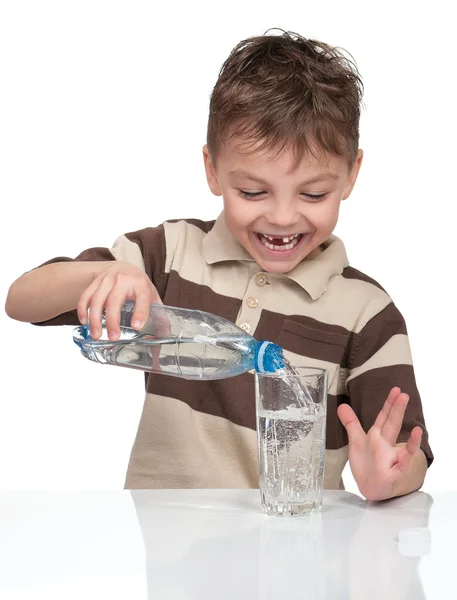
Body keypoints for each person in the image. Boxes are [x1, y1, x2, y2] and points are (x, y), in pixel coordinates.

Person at [5, 29, 432, 500]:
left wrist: (388, 477)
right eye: (252, 191)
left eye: (313, 193)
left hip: (295, 560)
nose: (283, 216)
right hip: (168, 557)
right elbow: (22, 300)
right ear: (212, 169)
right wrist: (105, 275)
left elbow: (405, 451)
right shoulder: (167, 256)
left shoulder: (366, 312)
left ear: (351, 174)